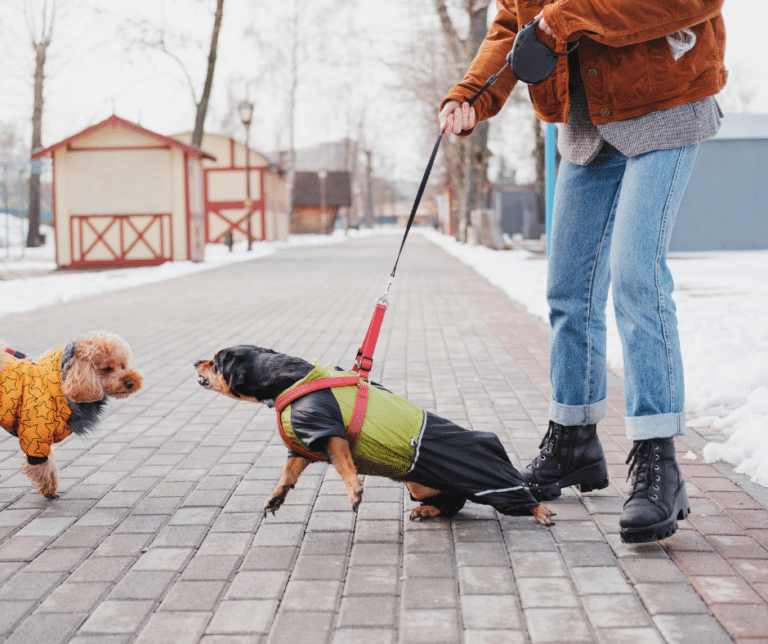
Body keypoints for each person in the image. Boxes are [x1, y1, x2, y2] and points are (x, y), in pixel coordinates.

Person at [439, 0, 726, 543]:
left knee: (636, 275)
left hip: (663, 101)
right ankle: (573, 440)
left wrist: (563, 18)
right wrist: (473, 93)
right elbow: (512, 24)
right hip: (585, 120)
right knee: (568, 289)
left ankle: (657, 459)